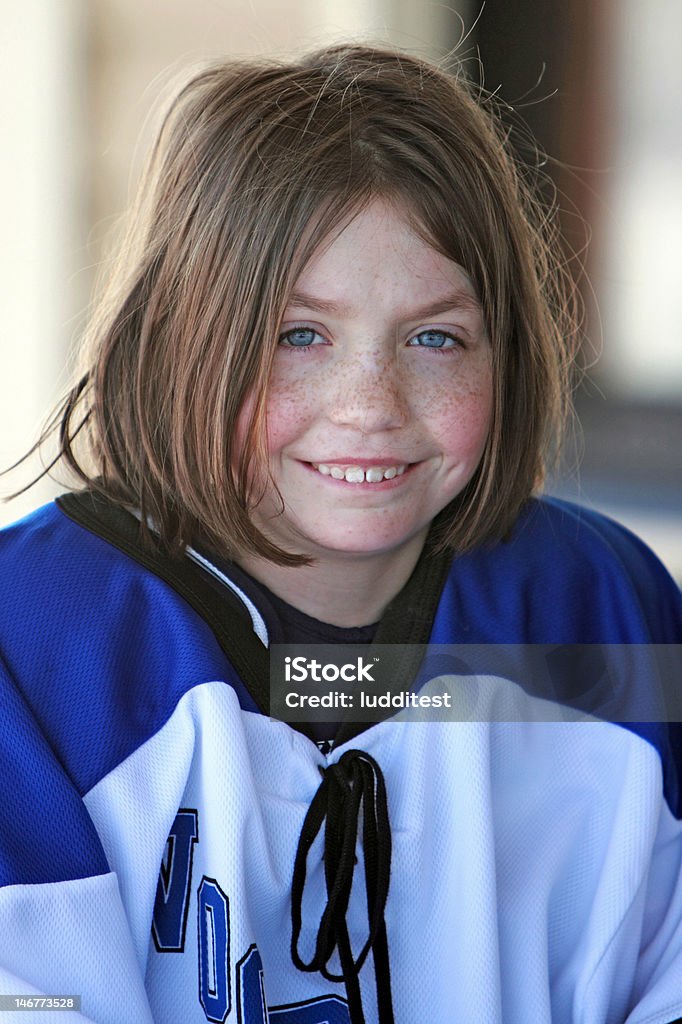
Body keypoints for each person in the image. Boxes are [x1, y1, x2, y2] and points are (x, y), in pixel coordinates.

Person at [0, 43, 680, 1024]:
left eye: (436, 337)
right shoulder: (34, 642)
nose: (370, 404)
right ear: (180, 336)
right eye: (297, 334)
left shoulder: (602, 612)